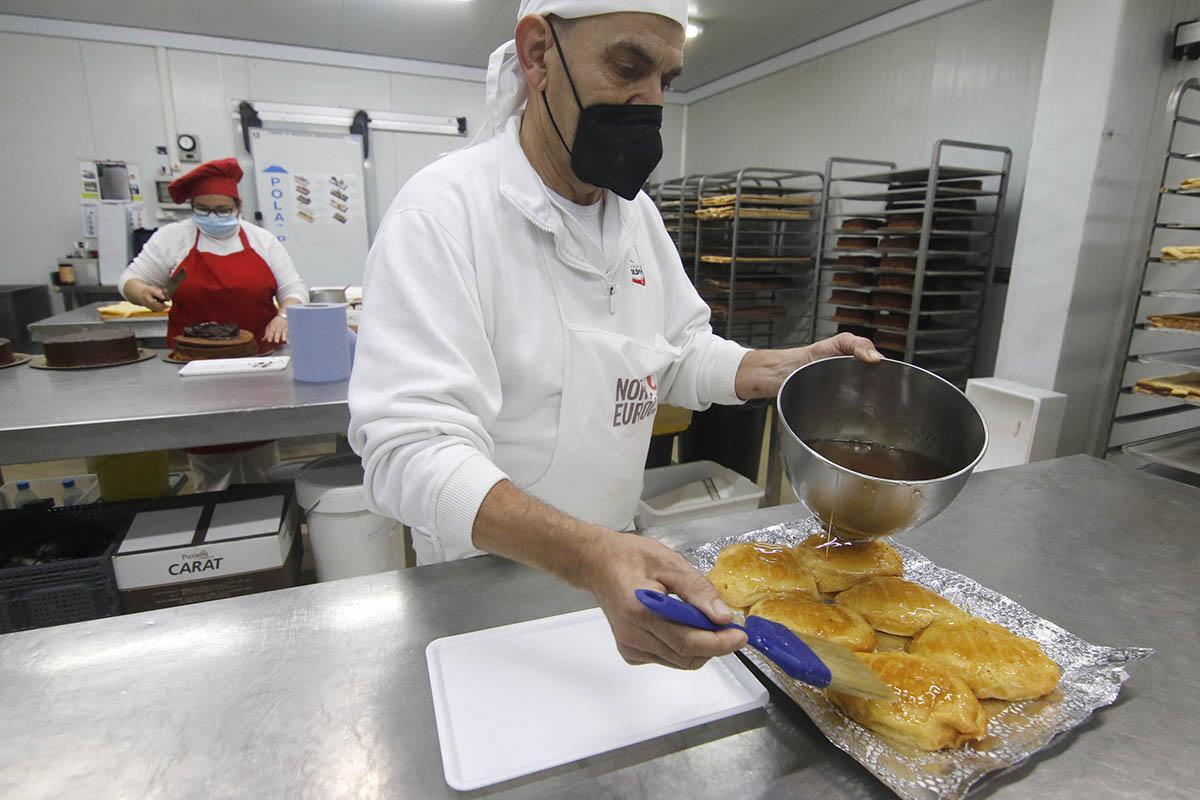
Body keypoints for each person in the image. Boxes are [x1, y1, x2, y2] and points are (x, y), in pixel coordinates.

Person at [348, 0, 881, 670]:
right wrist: (590, 554)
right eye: (628, 66)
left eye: (667, 80)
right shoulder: (443, 214)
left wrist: (789, 367)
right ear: (540, 54)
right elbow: (408, 451)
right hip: (484, 586)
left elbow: (679, 352)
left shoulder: (636, 219)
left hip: (623, 571)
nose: (649, 101)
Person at [121, 157, 309, 491]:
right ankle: (216, 520)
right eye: (203, 208)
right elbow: (130, 278)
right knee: (209, 452)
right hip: (195, 368)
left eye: (222, 209)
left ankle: (269, 514)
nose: (213, 216)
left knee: (261, 449)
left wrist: (284, 316)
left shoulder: (261, 240)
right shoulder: (172, 239)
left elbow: (293, 289)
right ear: (192, 207)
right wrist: (142, 293)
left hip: (256, 364)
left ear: (237, 206)